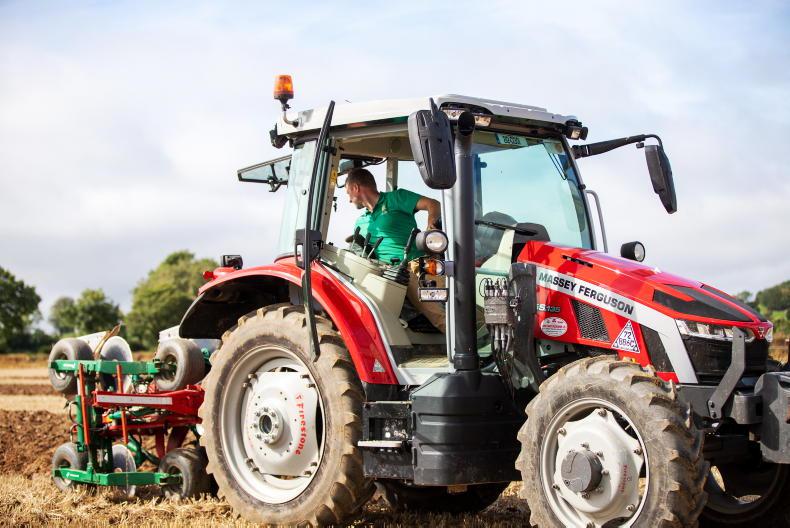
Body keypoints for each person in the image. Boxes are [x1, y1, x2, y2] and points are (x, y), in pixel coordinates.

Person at [345, 168, 446, 333]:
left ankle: (467, 350)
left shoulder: (396, 198)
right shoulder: (360, 223)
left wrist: (431, 226)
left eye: (348, 192)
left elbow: (433, 204)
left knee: (437, 309)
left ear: (356, 188)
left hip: (419, 264)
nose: (349, 199)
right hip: (388, 273)